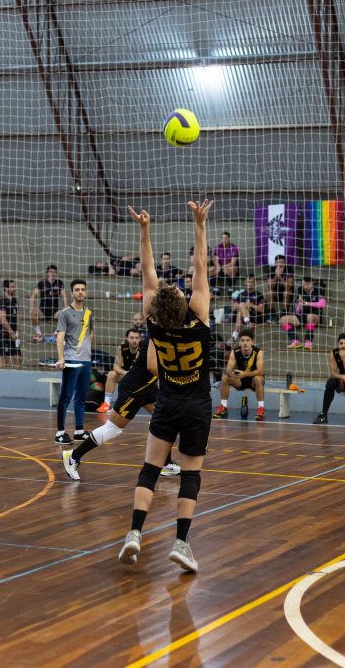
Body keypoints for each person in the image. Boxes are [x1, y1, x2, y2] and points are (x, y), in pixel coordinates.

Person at [117, 199, 213, 574]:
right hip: (197, 406)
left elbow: (147, 270)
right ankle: (180, 543)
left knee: (150, 469)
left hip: (168, 402)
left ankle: (134, 534)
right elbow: (201, 265)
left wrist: (144, 230)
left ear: (155, 309)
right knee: (190, 474)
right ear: (184, 302)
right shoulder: (200, 317)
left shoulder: (153, 325)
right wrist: (200, 224)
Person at [62, 337, 181, 481]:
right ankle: (73, 456)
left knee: (166, 421)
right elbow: (152, 366)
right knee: (113, 428)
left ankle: (165, 464)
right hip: (133, 390)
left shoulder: (170, 333)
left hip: (148, 388)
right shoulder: (155, 336)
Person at [54, 279, 93, 445]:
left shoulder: (88, 313)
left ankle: (78, 430)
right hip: (71, 360)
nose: (80, 292)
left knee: (81, 397)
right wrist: (61, 358)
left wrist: (88, 352)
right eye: (77, 290)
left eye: (83, 289)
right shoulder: (65, 313)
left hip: (86, 361)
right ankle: (60, 432)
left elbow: (90, 333)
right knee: (66, 396)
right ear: (72, 292)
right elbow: (60, 336)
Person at [212, 329, 265, 421]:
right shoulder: (235, 351)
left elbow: (260, 371)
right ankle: (223, 407)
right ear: (239, 342)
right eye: (242, 340)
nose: (245, 343)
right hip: (240, 379)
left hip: (254, 381)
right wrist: (231, 373)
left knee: (258, 379)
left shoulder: (258, 352)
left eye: (247, 340)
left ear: (252, 342)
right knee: (225, 378)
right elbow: (228, 369)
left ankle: (261, 409)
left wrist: (245, 374)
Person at [98, 328, 142, 413]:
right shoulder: (122, 348)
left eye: (136, 338)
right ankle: (106, 405)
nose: (134, 340)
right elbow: (116, 366)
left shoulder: (144, 349)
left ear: (140, 339)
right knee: (111, 374)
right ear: (127, 338)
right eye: (132, 338)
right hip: (126, 376)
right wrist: (125, 373)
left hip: (140, 378)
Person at [280, 276, 326, 349]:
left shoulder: (319, 290)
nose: (305, 286)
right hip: (302, 316)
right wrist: (299, 305)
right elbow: (298, 311)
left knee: (310, 316)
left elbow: (322, 304)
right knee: (283, 319)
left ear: (312, 284)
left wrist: (307, 303)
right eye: (304, 284)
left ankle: (308, 341)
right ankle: (295, 341)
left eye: (307, 284)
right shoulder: (300, 290)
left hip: (315, 316)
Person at [30, 265, 67, 343]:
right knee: (32, 313)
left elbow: (64, 296)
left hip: (55, 312)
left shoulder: (59, 283)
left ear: (56, 273)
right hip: (42, 311)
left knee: (65, 314)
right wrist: (32, 307)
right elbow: (33, 296)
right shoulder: (42, 283)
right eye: (51, 272)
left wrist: (65, 307)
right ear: (47, 273)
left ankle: (56, 334)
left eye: (54, 272)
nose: (52, 273)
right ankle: (38, 334)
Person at [230, 274, 266, 343]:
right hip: (243, 317)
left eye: (252, 282)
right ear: (245, 283)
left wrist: (251, 305)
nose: (250, 284)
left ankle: (234, 336)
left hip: (254, 315)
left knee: (240, 311)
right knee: (241, 309)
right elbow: (233, 309)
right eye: (248, 282)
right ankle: (248, 323)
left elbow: (261, 310)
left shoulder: (259, 295)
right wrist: (240, 305)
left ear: (255, 283)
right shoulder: (241, 294)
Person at [0, 279, 21, 369]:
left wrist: (17, 331)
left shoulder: (14, 301)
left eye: (15, 286)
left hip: (14, 334)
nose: (15, 288)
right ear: (6, 288)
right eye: (12, 287)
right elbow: (3, 320)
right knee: (4, 360)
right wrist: (12, 333)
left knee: (18, 358)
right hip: (4, 333)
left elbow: (18, 316)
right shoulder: (2, 301)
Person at [265, 254, 295, 320]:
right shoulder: (271, 269)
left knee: (286, 292)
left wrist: (280, 277)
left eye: (282, 262)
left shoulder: (289, 269)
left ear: (285, 263)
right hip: (276, 293)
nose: (280, 264)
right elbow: (270, 286)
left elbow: (289, 287)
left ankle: (284, 314)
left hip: (288, 294)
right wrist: (276, 276)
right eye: (278, 262)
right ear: (275, 263)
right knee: (270, 292)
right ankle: (272, 314)